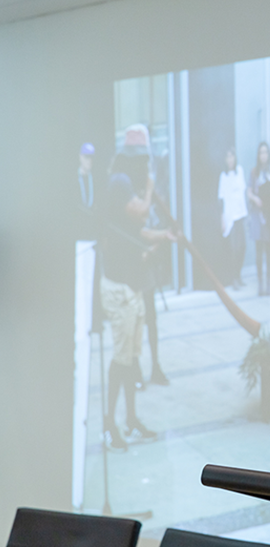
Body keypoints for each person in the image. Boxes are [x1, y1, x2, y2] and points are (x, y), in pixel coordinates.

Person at [100, 133, 176, 451]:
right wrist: (149, 185)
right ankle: (109, 424)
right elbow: (142, 212)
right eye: (143, 159)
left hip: (132, 286)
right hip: (119, 288)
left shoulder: (124, 184)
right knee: (120, 361)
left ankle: (130, 420)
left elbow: (141, 230)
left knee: (130, 359)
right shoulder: (119, 182)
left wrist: (165, 236)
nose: (146, 165)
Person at [248, 142, 270, 295]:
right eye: (261, 153)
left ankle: (269, 283)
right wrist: (255, 199)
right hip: (257, 214)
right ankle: (260, 283)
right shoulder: (254, 172)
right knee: (259, 251)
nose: (263, 155)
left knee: (269, 250)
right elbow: (248, 192)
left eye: (266, 152)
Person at [218, 146, 248, 289]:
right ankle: (233, 278)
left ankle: (239, 275)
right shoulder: (223, 176)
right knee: (233, 249)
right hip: (230, 216)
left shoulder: (240, 171)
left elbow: (243, 191)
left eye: (232, 156)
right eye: (227, 157)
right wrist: (223, 218)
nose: (230, 159)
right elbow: (222, 198)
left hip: (240, 214)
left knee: (242, 247)